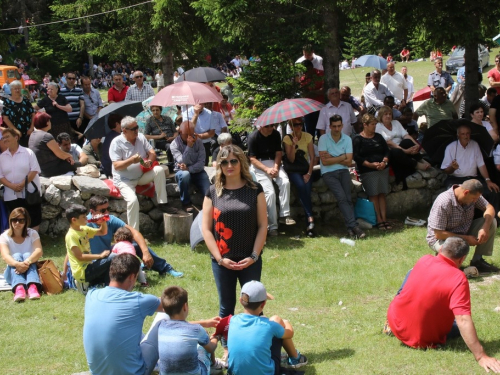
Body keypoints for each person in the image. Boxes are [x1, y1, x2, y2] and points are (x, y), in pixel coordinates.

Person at [386, 237, 500, 373]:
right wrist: (481, 356)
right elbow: (463, 319)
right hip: (421, 338)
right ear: (462, 259)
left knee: (411, 272)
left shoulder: (425, 259)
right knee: (458, 325)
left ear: (441, 249)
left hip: (395, 322)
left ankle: (391, 325)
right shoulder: (458, 278)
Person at [83, 253, 162, 375]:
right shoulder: (139, 300)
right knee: (163, 318)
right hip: (135, 372)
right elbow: (172, 304)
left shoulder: (91, 295)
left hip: (98, 372)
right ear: (132, 277)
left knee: (131, 330)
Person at [86, 195, 183, 278]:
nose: (107, 213)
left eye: (108, 209)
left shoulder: (110, 219)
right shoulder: (85, 224)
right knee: (114, 258)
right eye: (103, 210)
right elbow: (72, 248)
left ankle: (165, 268)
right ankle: (137, 267)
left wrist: (145, 252)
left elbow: (134, 233)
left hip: (108, 255)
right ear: (92, 211)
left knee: (134, 244)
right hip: (94, 262)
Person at [110, 116, 178, 230]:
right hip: (124, 180)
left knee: (159, 170)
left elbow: (152, 152)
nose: (137, 130)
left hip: (140, 176)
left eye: (137, 127)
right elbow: (116, 166)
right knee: (132, 201)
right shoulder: (116, 142)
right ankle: (133, 233)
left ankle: (162, 203)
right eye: (134, 129)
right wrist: (131, 160)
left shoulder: (140, 137)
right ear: (124, 130)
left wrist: (150, 162)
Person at [228, 281, 308, 374]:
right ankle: (295, 358)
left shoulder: (233, 320)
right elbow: (290, 333)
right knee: (277, 320)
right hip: (267, 372)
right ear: (263, 304)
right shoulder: (269, 326)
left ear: (241, 301)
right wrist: (285, 322)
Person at [427, 179, 498, 272]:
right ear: (466, 192)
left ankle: (478, 261)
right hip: (441, 238)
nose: (475, 201)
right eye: (474, 198)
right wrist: (466, 238)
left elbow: (489, 208)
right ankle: (443, 261)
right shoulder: (444, 201)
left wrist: (485, 227)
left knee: (491, 221)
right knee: (450, 269)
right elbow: (439, 234)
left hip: (464, 231)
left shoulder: (472, 193)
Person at [318, 114, 366, 239]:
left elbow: (349, 161)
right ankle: (354, 226)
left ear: (342, 126)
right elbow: (325, 162)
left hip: (344, 171)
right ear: (330, 126)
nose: (336, 129)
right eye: (334, 126)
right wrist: (342, 157)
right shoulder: (323, 139)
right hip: (328, 173)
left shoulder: (347, 139)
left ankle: (350, 229)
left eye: (339, 126)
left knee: (348, 199)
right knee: (342, 198)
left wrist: (333, 157)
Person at [158, 286, 221, 375]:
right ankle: (214, 366)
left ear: (164, 310)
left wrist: (205, 322)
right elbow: (211, 348)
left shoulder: (161, 325)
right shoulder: (196, 329)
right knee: (204, 345)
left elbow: (179, 325)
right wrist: (216, 337)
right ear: (185, 306)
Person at [248, 123, 296, 236]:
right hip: (259, 165)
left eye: (272, 126)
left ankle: (284, 215)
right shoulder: (253, 137)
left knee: (285, 182)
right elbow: (252, 159)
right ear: (260, 126)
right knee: (270, 193)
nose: (270, 128)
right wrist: (267, 170)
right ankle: (272, 226)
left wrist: (275, 167)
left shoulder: (275, 134)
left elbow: (278, 153)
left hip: (274, 163)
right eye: (267, 126)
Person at [441, 123, 499, 212]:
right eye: (463, 134)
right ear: (458, 135)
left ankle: (493, 218)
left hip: (473, 179)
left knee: (493, 191)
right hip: (456, 179)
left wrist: (488, 180)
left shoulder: (475, 145)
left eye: (467, 133)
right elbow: (446, 170)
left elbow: (481, 164)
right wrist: (452, 167)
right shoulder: (451, 147)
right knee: (457, 195)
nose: (466, 136)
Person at [353, 114, 391, 230]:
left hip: (382, 169)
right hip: (368, 171)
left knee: (382, 194)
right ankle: (378, 220)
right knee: (373, 194)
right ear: (365, 125)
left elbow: (387, 151)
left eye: (375, 124)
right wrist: (369, 164)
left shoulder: (379, 137)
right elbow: (356, 156)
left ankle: (384, 218)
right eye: (372, 124)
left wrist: (384, 162)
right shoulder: (357, 139)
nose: (374, 126)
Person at [65, 204, 114, 292]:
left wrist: (103, 221)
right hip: (82, 271)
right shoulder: (71, 235)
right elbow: (79, 256)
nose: (86, 218)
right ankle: (87, 284)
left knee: (111, 261)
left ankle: (106, 286)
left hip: (90, 265)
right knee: (112, 257)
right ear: (74, 220)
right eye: (83, 217)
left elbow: (103, 232)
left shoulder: (84, 229)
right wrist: (100, 256)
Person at [376, 106, 430, 187]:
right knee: (396, 151)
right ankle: (416, 165)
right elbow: (389, 142)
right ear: (381, 116)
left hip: (402, 146)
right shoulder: (379, 126)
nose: (388, 116)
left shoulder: (396, 123)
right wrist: (405, 151)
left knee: (407, 141)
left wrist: (416, 145)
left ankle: (421, 160)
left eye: (390, 114)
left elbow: (405, 135)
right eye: (385, 114)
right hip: (391, 150)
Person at [0, 128, 42, 230]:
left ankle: (34, 241)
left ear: (16, 137)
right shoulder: (2, 157)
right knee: (17, 219)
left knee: (33, 217)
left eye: (7, 137)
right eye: (3, 138)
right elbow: (0, 176)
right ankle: (20, 241)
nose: (4, 139)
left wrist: (22, 184)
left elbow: (34, 170)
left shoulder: (28, 152)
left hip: (29, 193)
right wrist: (12, 186)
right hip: (11, 194)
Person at [0, 208, 42, 302]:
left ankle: (32, 286)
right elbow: (5, 256)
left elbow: (39, 251)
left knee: (27, 254)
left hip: (30, 267)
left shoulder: (32, 233)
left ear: (26, 221)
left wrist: (26, 262)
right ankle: (19, 288)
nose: (17, 223)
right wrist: (17, 264)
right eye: (14, 220)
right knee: (17, 255)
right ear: (10, 221)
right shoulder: (4, 236)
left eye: (21, 220)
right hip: (13, 270)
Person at [283, 117, 316, 236]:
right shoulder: (287, 138)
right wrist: (293, 145)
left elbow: (312, 157)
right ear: (291, 126)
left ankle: (309, 222)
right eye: (296, 125)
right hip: (293, 169)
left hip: (305, 168)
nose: (299, 127)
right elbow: (291, 159)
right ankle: (310, 218)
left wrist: (309, 173)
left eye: (300, 124)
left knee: (306, 188)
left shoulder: (308, 136)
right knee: (302, 186)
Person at [170, 121, 211, 213]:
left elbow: (201, 162)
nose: (190, 136)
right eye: (186, 134)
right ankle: (186, 202)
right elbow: (182, 161)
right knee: (185, 175)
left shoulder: (199, 142)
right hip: (182, 171)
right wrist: (189, 146)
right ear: (180, 132)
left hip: (198, 171)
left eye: (192, 134)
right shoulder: (174, 144)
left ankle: (209, 208)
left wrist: (189, 168)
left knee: (208, 192)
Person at [28, 112, 76, 177]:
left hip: (39, 168)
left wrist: (66, 156)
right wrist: (69, 156)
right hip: (49, 169)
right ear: (47, 122)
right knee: (75, 164)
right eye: (49, 121)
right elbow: (60, 154)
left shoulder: (33, 134)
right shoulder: (46, 136)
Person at [1, 80, 35, 147]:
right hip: (15, 133)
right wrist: (15, 130)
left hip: (29, 131)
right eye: (15, 88)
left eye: (19, 88)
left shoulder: (25, 100)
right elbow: (5, 118)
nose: (17, 90)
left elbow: (33, 114)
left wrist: (31, 128)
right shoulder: (7, 102)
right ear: (11, 90)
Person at [299, 59, 325, 138]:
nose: (305, 72)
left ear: (311, 67)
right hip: (308, 108)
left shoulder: (320, 74)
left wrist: (311, 92)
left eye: (307, 70)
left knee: (320, 129)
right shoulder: (303, 79)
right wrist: (315, 92)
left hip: (319, 107)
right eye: (304, 71)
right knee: (309, 132)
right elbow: (304, 93)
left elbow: (323, 90)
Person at [59, 72, 85, 138]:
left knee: (80, 139)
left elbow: (82, 105)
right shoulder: (61, 91)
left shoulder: (79, 90)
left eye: (73, 78)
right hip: (66, 121)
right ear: (66, 79)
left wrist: (80, 117)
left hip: (77, 120)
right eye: (69, 78)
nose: (71, 80)